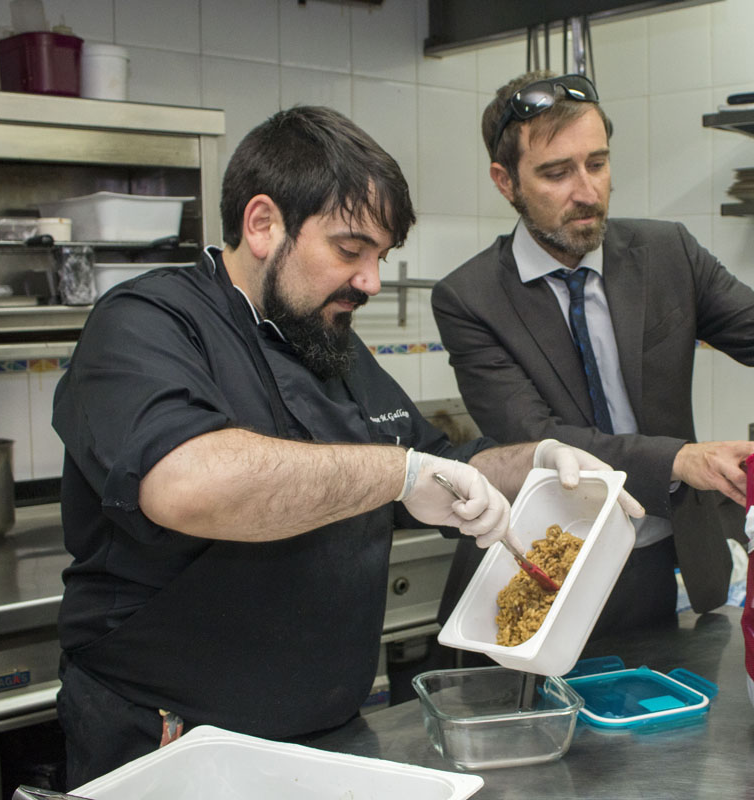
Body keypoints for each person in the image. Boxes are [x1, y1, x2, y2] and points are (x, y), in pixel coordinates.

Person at [52, 105, 641, 788]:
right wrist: (399, 474)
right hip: (173, 737)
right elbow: (188, 482)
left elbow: (443, 463)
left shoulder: (324, 338)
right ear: (264, 224)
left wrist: (535, 462)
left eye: (380, 258)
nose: (370, 281)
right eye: (350, 250)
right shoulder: (147, 323)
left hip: (327, 731)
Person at [431, 72, 754, 635]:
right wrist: (681, 459)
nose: (587, 192)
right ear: (506, 181)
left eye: (598, 164)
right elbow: (538, 440)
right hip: (546, 571)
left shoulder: (665, 253)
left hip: (660, 561)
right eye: (557, 173)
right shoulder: (471, 298)